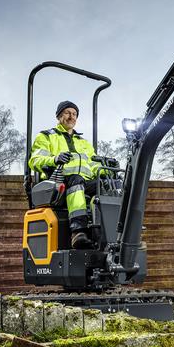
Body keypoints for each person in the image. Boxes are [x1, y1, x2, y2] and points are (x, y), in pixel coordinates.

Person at [28, 101, 106, 249]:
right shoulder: (46, 136)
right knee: (76, 180)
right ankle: (78, 231)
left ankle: (104, 233)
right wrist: (54, 159)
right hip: (57, 182)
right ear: (59, 116)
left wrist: (106, 170)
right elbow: (35, 160)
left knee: (105, 185)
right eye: (67, 113)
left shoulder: (83, 142)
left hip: (82, 182)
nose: (72, 117)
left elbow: (93, 164)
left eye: (74, 114)